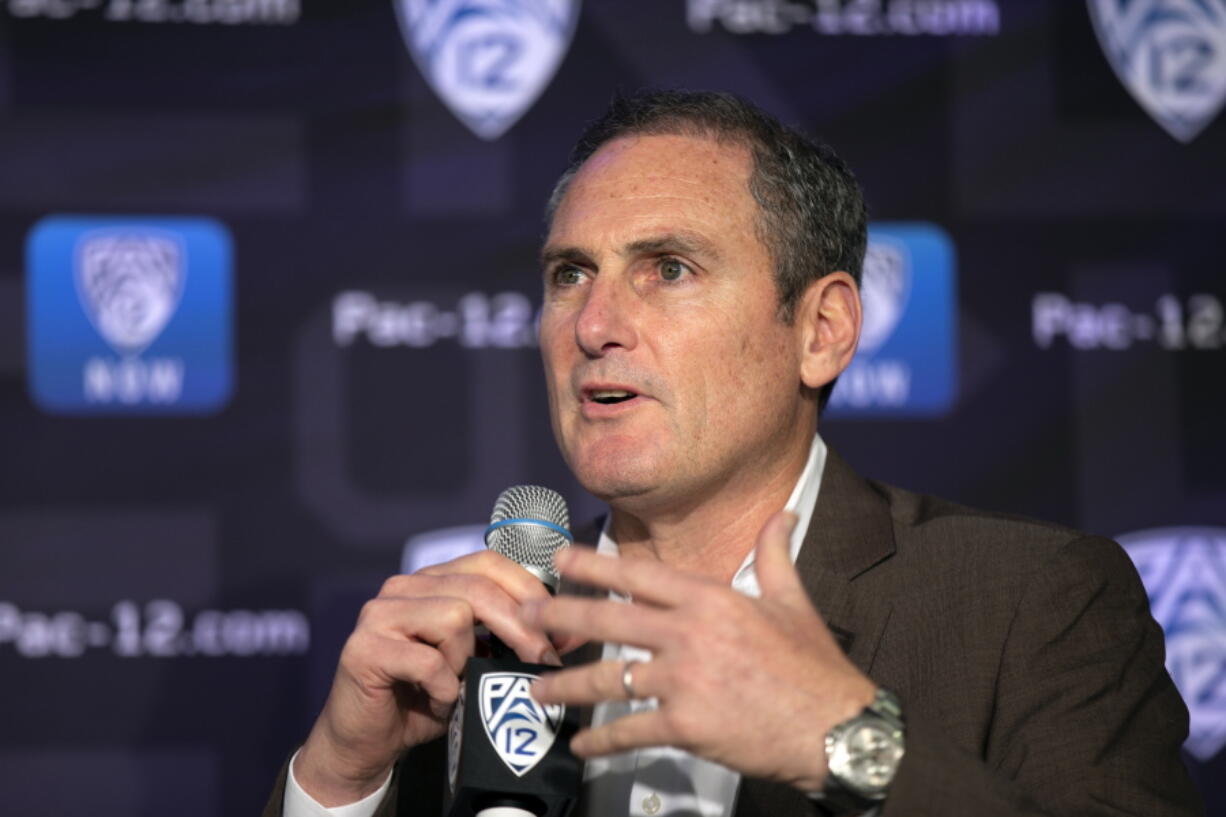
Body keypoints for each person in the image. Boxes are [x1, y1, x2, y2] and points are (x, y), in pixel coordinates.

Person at [265, 90, 1203, 817]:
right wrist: (340, 776)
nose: (594, 324)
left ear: (822, 329)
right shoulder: (486, 639)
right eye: (570, 274)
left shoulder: (1028, 601)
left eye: (668, 269)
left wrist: (850, 742)